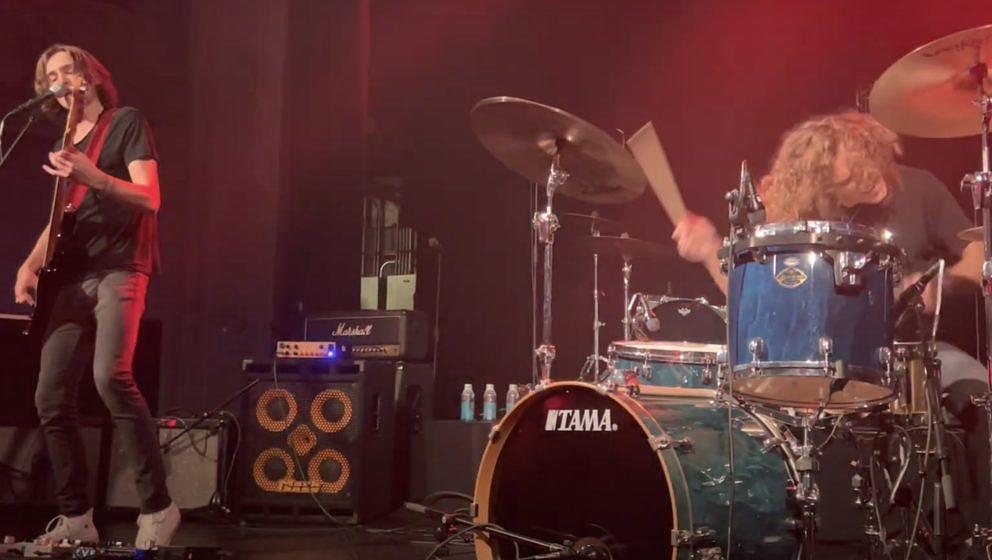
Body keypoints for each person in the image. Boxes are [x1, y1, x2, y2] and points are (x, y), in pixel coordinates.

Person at [671, 111, 990, 536]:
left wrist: (940, 283)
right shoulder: (801, 214)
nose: (870, 177)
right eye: (852, 177)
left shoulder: (918, 187)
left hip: (918, 354)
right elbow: (754, 293)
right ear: (822, 183)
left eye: (871, 161)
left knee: (979, 395)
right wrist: (711, 248)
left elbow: (980, 252)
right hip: (826, 367)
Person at [12, 44, 178, 548]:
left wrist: (95, 176)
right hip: (72, 276)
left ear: (91, 76)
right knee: (50, 395)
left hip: (120, 267)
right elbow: (63, 216)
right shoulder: (65, 140)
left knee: (110, 377)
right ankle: (76, 517)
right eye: (52, 76)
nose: (61, 80)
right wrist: (30, 263)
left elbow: (150, 198)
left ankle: (158, 506)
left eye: (69, 70)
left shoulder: (124, 122)